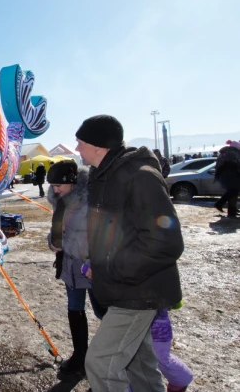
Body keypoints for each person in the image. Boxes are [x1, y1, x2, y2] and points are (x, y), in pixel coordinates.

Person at [75, 114, 184, 392]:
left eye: (80, 142)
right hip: (122, 288)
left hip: (139, 290)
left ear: (99, 146)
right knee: (138, 362)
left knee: (101, 362)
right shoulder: (103, 176)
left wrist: (113, 268)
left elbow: (165, 241)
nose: (77, 149)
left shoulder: (140, 176)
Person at [46, 160, 106, 375]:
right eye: (52, 186)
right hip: (70, 263)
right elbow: (57, 230)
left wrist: (94, 262)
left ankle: (109, 359)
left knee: (103, 312)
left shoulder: (88, 200)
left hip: (90, 265)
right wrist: (51, 241)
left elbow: (101, 234)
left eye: (58, 185)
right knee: (74, 309)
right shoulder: (60, 201)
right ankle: (80, 354)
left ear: (71, 182)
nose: (54, 189)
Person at [214, 145, 240, 218]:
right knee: (233, 191)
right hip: (230, 176)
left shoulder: (226, 153)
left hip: (227, 176)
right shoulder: (232, 153)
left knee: (233, 193)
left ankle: (232, 211)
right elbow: (235, 164)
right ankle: (219, 204)